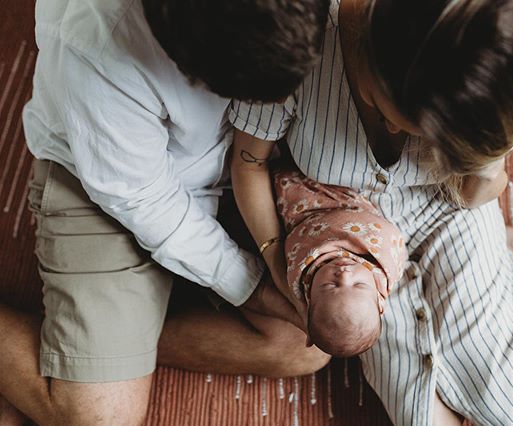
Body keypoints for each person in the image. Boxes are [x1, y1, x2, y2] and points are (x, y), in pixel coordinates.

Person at [228, 0, 513, 424]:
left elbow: (474, 195)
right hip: (342, 235)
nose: (392, 131)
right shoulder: (298, 42)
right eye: (402, 120)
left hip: (448, 210)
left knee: (508, 409)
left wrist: (487, 160)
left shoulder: (486, 69)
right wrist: (275, 254)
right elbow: (248, 162)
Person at [0, 0, 331, 424]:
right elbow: (147, 201)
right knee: (99, 419)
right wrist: (257, 287)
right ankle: (93, 363)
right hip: (106, 184)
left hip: (244, 160)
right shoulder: (98, 40)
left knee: (307, 342)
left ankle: (103, 354)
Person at [232, 157, 409, 356]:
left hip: (300, 204)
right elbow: (391, 239)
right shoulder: (384, 267)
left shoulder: (301, 272)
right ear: (379, 299)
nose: (344, 275)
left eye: (330, 286)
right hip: (347, 194)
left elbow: (295, 245)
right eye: (360, 285)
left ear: (308, 298)